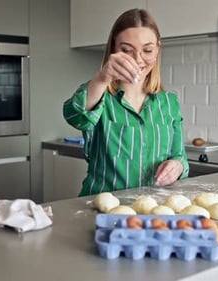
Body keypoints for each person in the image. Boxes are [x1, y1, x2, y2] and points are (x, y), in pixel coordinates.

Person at [63, 8, 189, 196]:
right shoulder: (100, 96)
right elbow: (75, 115)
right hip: (101, 211)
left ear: (157, 50)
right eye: (126, 50)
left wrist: (178, 166)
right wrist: (102, 78)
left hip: (151, 211)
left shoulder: (169, 103)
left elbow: (180, 157)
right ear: (113, 50)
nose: (137, 59)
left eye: (147, 50)